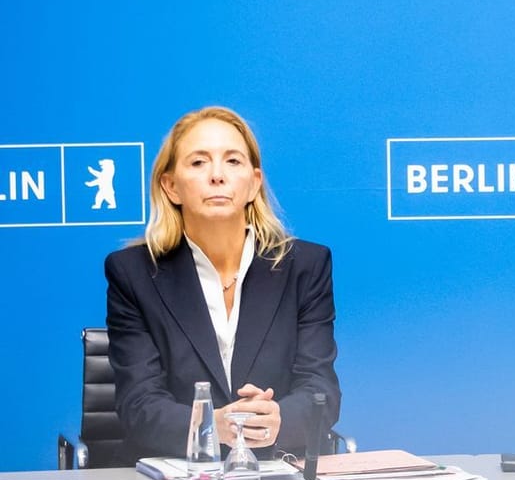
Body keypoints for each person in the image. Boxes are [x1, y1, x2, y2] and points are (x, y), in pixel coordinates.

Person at [104, 106, 342, 461]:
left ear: (254, 183)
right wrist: (211, 425)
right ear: (171, 186)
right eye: (198, 162)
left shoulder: (305, 267)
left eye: (233, 161)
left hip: (278, 477)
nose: (217, 176)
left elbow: (320, 389)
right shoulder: (133, 273)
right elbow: (138, 405)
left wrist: (280, 420)